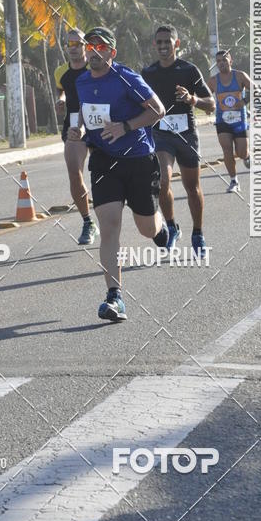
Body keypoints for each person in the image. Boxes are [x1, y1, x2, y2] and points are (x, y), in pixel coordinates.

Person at [68, 27, 168, 322]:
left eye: (100, 47)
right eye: (90, 46)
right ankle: (115, 297)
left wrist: (126, 127)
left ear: (111, 52)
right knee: (109, 226)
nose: (93, 51)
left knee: (146, 229)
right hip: (104, 162)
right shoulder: (83, 81)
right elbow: (88, 116)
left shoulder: (127, 78)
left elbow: (158, 110)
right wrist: (81, 130)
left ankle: (161, 229)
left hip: (138, 160)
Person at [141, 26, 215, 256]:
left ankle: (198, 233)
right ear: (155, 45)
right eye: (159, 42)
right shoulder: (148, 73)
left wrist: (191, 99)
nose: (163, 46)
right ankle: (171, 226)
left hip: (187, 135)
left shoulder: (189, 70)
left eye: (167, 42)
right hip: (161, 134)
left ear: (177, 44)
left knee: (192, 188)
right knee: (163, 179)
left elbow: (211, 104)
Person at [54, 28, 97, 245]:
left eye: (77, 44)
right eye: (69, 44)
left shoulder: (94, 67)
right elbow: (63, 89)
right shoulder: (61, 71)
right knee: (74, 173)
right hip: (72, 124)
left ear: (85, 46)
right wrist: (61, 100)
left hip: (98, 122)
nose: (73, 48)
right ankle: (88, 222)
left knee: (105, 172)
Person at [207, 50, 252, 192]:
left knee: (241, 153)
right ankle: (234, 181)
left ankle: (247, 156)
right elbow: (205, 97)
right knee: (226, 149)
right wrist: (208, 107)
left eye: (224, 60)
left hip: (239, 120)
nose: (221, 63)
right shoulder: (213, 81)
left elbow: (257, 89)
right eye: (218, 61)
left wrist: (244, 101)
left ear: (230, 61)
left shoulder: (240, 76)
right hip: (222, 120)